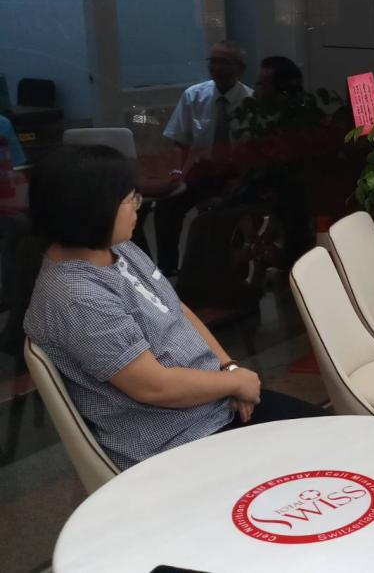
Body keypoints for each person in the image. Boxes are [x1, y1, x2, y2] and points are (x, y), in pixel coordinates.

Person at [22, 145, 324, 470]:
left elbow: (176, 309)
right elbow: (153, 386)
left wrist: (229, 369)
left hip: (213, 406)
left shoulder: (117, 249)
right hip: (180, 441)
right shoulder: (77, 297)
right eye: (130, 199)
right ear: (91, 209)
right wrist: (235, 384)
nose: (138, 206)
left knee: (337, 439)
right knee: (328, 458)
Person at [156, 39, 254, 274]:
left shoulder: (252, 101)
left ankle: (234, 269)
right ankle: (168, 269)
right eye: (213, 61)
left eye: (223, 62)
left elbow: (255, 151)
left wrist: (242, 179)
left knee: (231, 212)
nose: (215, 68)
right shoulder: (194, 96)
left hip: (236, 174)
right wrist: (177, 173)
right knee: (167, 205)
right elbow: (180, 141)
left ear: (240, 69)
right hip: (200, 172)